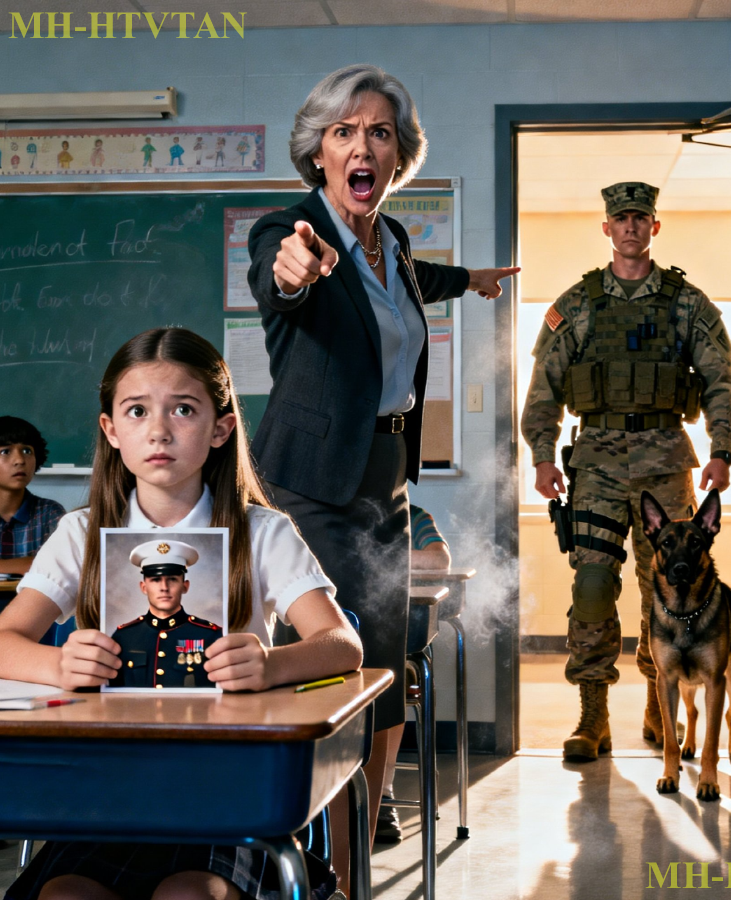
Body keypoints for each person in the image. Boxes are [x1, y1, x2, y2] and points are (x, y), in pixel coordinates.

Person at [246, 63, 517, 856]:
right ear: (319, 154)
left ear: (398, 158)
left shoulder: (390, 239)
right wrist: (292, 270)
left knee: (391, 662)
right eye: (344, 132)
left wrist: (470, 280)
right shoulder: (291, 232)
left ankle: (359, 831)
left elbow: (410, 281)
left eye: (380, 133)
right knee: (338, 654)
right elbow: (280, 278)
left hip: (385, 478)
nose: (362, 145)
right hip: (309, 482)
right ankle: (305, 835)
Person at [0, 327, 362, 900]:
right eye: (138, 410)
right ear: (111, 431)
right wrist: (58, 663)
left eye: (184, 409)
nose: (160, 429)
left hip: (228, 785)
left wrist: (269, 664)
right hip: (112, 787)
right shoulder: (82, 532)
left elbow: (342, 645)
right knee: (64, 896)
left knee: (189, 895)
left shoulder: (261, 531)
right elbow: (5, 639)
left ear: (221, 429)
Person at [521, 181, 731, 761]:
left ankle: (656, 697)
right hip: (593, 463)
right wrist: (542, 456)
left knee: (666, 586)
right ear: (606, 228)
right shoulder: (578, 302)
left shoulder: (684, 302)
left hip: (667, 459)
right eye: (621, 218)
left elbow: (720, 377)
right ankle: (592, 715)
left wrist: (722, 447)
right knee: (593, 587)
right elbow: (543, 386)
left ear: (653, 227)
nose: (630, 226)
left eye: (640, 217)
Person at [375, 503, 451, 843]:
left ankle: (383, 792)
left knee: (392, 677)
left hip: (391, 641)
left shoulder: (414, 516)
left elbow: (438, 560)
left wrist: (374, 555)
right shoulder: (321, 511)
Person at [109, 539, 223, 689]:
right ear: (143, 587)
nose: (164, 587)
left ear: (185, 586)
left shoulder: (210, 636)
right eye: (156, 580)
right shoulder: (123, 636)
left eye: (172, 579)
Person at [0, 416, 65, 584]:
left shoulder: (50, 513)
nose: (20, 460)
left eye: (27, 451)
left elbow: (60, 567)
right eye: (5, 451)